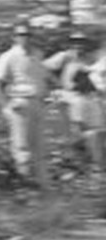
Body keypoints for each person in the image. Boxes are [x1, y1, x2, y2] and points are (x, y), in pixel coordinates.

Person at [0, 21, 51, 186]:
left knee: (40, 148)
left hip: (37, 103)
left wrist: (47, 95)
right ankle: (24, 188)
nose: (25, 38)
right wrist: (6, 106)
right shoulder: (8, 56)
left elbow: (43, 78)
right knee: (21, 148)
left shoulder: (37, 55)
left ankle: (45, 189)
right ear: (14, 37)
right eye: (21, 35)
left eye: (28, 34)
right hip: (20, 104)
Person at [44, 29, 104, 170]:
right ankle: (74, 158)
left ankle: (94, 161)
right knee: (77, 127)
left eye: (81, 42)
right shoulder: (64, 57)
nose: (78, 45)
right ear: (70, 43)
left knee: (96, 129)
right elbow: (42, 67)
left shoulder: (88, 58)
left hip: (88, 96)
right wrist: (55, 81)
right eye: (75, 42)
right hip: (70, 96)